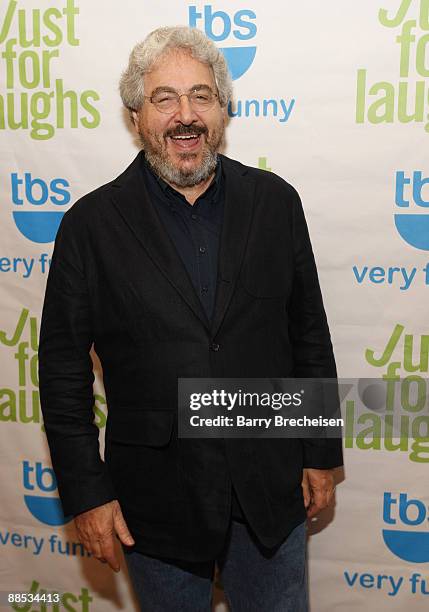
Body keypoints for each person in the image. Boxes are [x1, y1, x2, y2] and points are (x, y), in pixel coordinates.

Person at [39, 25, 343, 612]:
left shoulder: (277, 203)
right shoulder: (89, 226)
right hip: (155, 503)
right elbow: (61, 372)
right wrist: (87, 494)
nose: (186, 115)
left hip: (270, 490)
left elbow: (308, 332)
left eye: (202, 96)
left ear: (223, 109)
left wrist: (320, 451)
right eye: (165, 98)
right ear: (136, 116)